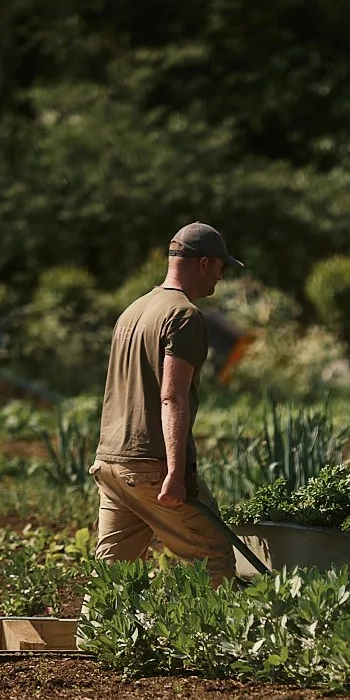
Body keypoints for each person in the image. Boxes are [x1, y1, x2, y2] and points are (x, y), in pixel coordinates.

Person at [92, 222, 242, 583]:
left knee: (114, 574)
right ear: (203, 263)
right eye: (221, 268)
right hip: (151, 463)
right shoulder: (184, 315)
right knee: (214, 556)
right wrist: (175, 472)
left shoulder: (134, 310)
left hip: (111, 461)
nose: (220, 278)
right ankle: (214, 639)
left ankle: (94, 639)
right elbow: (172, 396)